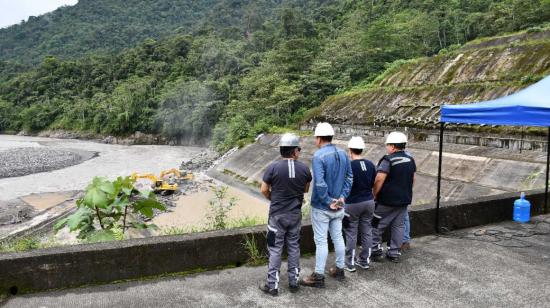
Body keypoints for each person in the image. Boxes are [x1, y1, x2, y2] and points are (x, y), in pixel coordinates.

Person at [300, 122, 353, 288]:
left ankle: (318, 276)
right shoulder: (344, 153)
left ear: (319, 138)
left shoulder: (319, 156)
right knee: (338, 237)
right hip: (339, 206)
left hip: (322, 207)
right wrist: (342, 198)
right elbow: (349, 177)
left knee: (321, 241)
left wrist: (328, 201)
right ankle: (339, 269)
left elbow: (320, 184)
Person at [259, 133, 312, 296]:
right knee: (294, 247)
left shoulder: (272, 167)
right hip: (295, 215)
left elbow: (263, 189)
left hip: (276, 215)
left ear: (282, 150)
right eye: (299, 149)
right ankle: (294, 282)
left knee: (275, 249)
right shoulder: (304, 169)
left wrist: (273, 198)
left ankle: (272, 286)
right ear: (295, 151)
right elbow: (306, 189)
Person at [371, 132, 416, 263]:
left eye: (388, 145)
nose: (387, 148)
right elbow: (413, 179)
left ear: (393, 146)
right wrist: (405, 192)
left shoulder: (388, 160)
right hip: (404, 200)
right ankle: (394, 253)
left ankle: (375, 251)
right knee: (398, 226)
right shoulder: (410, 159)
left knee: (375, 225)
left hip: (386, 201)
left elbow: (379, 179)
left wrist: (374, 194)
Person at [342, 136, 376, 272]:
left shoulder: (349, 166)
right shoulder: (370, 164)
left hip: (352, 203)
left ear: (350, 150)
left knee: (351, 232)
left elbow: (344, 185)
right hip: (369, 201)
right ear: (362, 149)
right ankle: (364, 261)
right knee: (367, 231)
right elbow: (374, 182)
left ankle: (349, 263)